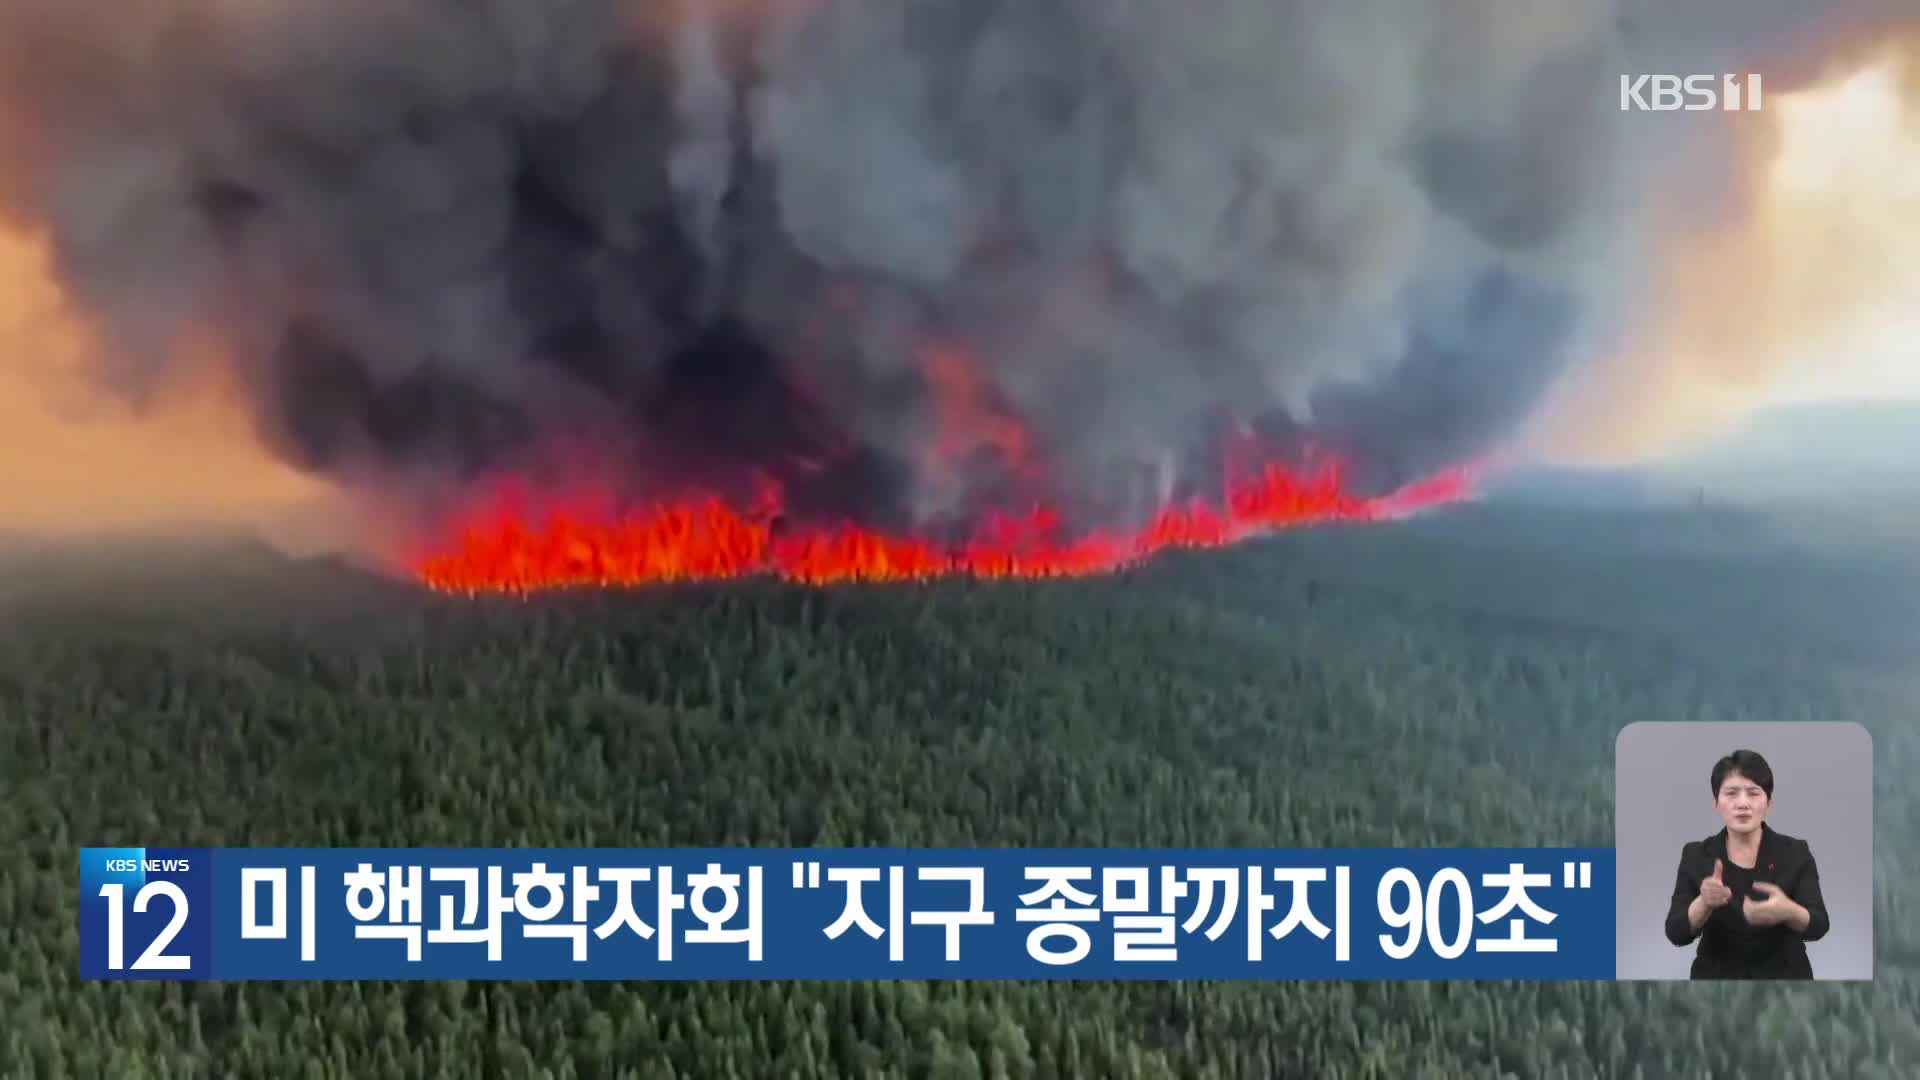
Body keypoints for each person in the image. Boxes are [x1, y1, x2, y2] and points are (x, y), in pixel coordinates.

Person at [1664, 749, 1830, 979]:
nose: (1742, 803)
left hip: (1785, 981)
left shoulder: (1795, 853)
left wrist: (1788, 911)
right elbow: (1676, 933)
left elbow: (1819, 925)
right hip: (1717, 984)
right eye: (1731, 793)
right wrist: (1704, 903)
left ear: (1769, 803)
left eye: (1753, 793)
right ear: (1715, 803)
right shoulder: (1696, 856)